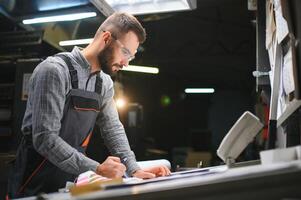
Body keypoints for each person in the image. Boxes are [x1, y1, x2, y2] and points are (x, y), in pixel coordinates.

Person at [8, 12, 170, 198]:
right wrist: (97, 168)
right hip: (32, 182)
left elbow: (113, 130)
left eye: (131, 57)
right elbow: (45, 138)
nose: (126, 63)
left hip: (68, 183)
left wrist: (134, 170)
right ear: (107, 38)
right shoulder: (54, 71)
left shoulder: (105, 84)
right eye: (125, 52)